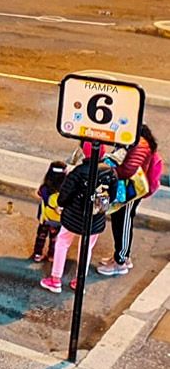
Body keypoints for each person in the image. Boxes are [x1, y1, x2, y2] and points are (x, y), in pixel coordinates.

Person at [41, 148, 116, 293]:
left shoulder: (78, 172)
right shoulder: (110, 172)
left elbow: (63, 198)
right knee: (86, 248)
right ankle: (79, 281)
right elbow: (111, 196)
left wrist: (64, 205)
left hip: (73, 218)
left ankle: (55, 279)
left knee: (62, 243)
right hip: (96, 219)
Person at [98, 125, 161, 276]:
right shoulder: (134, 141)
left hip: (130, 191)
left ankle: (121, 261)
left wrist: (109, 171)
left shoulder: (139, 144)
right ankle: (119, 256)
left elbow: (128, 170)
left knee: (124, 222)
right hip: (125, 188)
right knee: (119, 220)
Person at [31, 161, 67, 262]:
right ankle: (51, 255)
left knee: (41, 236)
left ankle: (37, 254)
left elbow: (39, 194)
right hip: (59, 219)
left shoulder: (45, 188)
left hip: (45, 217)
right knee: (55, 238)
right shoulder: (65, 189)